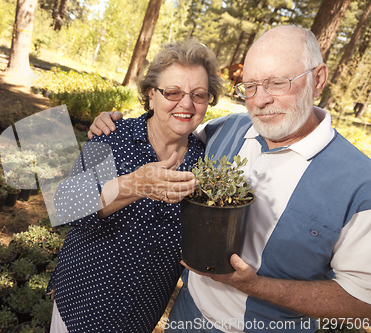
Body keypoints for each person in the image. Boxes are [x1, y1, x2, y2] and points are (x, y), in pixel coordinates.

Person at [88, 25, 371, 333]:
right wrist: (113, 128)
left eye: (277, 83)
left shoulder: (360, 183)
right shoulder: (225, 130)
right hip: (184, 316)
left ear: (318, 80)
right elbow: (170, 127)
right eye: (249, 87)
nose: (260, 101)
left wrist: (257, 286)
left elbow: (364, 304)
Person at [46, 39, 223, 333]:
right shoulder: (112, 137)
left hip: (140, 316)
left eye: (199, 94)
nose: (187, 104)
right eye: (173, 92)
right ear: (151, 95)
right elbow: (66, 207)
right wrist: (135, 184)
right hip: (82, 307)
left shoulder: (204, 163)